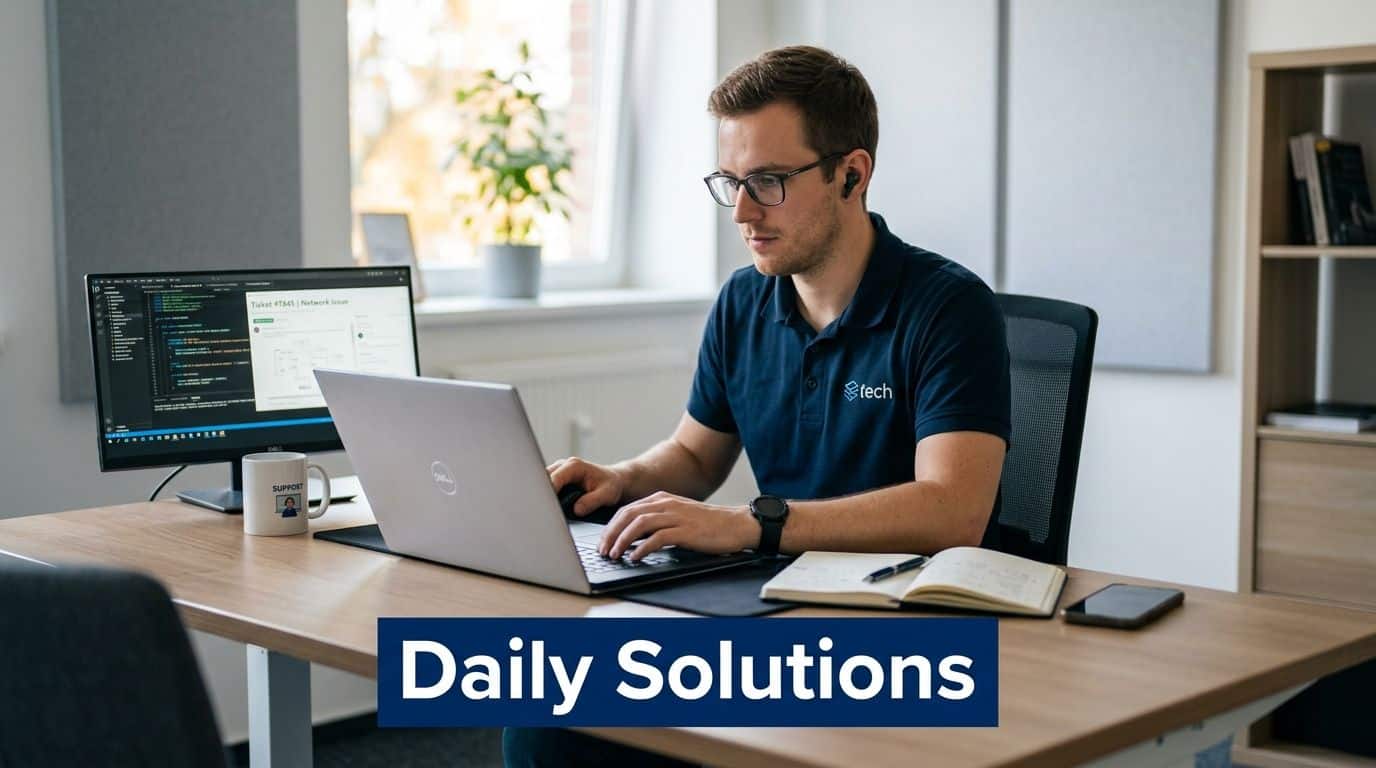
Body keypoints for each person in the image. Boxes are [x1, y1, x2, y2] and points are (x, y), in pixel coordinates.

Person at [504, 44, 1010, 767]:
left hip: (898, 626)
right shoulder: (744, 301)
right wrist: (621, 479)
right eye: (731, 181)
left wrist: (748, 526)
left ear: (851, 174)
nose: (740, 211)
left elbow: (952, 509)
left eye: (768, 181)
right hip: (772, 603)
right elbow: (693, 456)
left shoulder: (948, 308)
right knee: (547, 720)